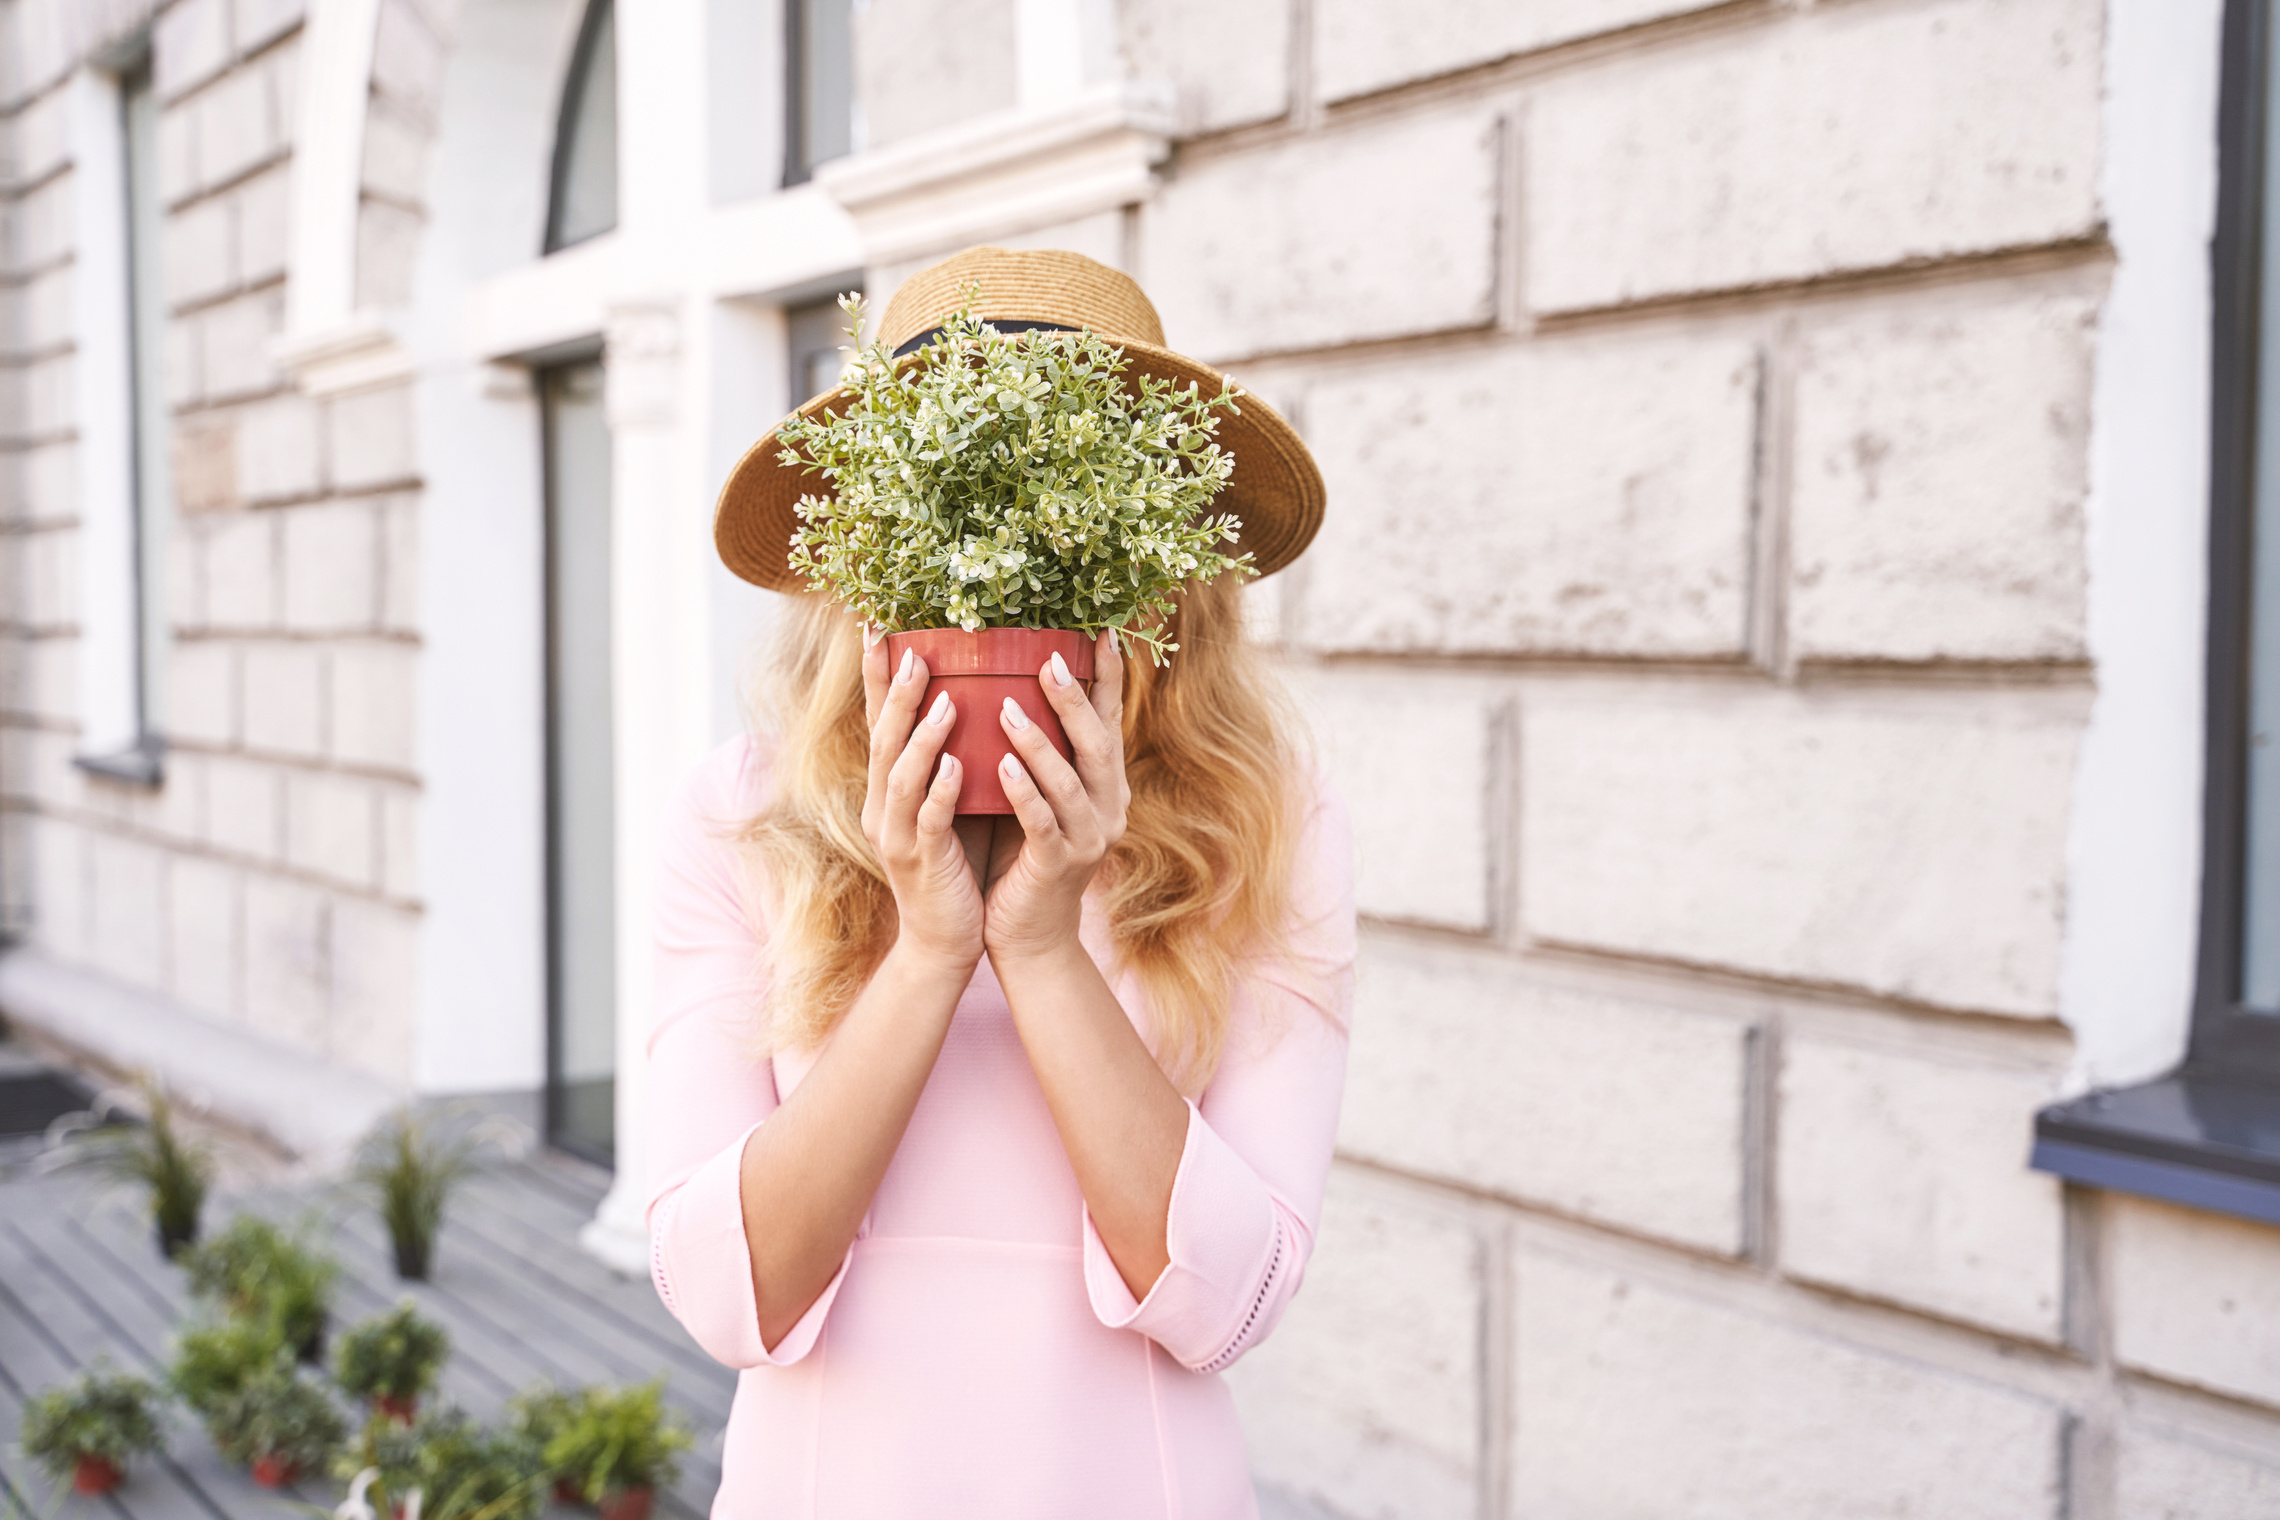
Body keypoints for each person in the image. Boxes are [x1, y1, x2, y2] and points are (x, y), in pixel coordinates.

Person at [644, 246, 1355, 1519]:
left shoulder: (1267, 821)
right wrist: (928, 949)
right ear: (870, 552)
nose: (1006, 571)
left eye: (1063, 513)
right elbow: (725, 1290)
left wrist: (1039, 948)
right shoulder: (743, 815)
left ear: (1160, 559)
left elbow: (1232, 1298)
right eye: (959, 518)